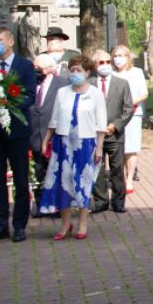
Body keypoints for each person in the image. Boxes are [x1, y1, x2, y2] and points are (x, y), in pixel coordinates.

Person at [40, 55, 107, 240]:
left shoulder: (95, 93)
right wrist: (47, 139)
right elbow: (54, 119)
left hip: (85, 143)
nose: (75, 73)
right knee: (63, 183)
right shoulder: (62, 92)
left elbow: (101, 124)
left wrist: (99, 147)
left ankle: (83, 223)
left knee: (83, 184)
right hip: (63, 143)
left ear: (87, 72)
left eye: (79, 70)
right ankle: (65, 224)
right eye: (72, 70)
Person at [0, 27, 37, 244]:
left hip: (17, 132)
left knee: (21, 181)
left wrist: (7, 105)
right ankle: (0, 225)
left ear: (10, 41)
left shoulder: (25, 66)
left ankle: (20, 226)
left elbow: (30, 95)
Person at [90, 49, 134, 214]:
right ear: (95, 65)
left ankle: (118, 201)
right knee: (98, 168)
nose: (106, 65)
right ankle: (100, 201)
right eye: (101, 62)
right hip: (94, 133)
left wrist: (115, 125)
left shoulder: (121, 84)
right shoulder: (90, 83)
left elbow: (128, 109)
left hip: (115, 134)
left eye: (108, 62)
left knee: (117, 169)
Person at [30, 53, 65, 217]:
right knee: (37, 171)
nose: (35, 70)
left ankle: (57, 206)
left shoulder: (63, 85)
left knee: (56, 172)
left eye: (38, 68)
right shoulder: (30, 84)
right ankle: (40, 205)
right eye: (34, 67)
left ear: (50, 69)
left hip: (55, 136)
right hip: (35, 135)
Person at [111, 45, 148, 194]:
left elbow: (144, 93)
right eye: (115, 55)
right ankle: (119, 178)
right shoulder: (111, 74)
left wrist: (129, 103)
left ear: (128, 58)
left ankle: (129, 179)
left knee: (131, 148)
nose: (118, 58)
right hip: (115, 115)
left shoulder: (137, 72)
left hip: (133, 114)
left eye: (121, 55)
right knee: (116, 147)